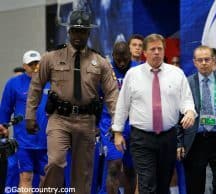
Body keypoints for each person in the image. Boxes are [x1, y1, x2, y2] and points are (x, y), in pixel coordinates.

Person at [25, 10, 119, 194]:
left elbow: (112, 94)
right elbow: (36, 86)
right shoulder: (51, 58)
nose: (78, 35)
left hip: (86, 122)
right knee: (56, 162)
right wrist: (30, 115)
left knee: (82, 174)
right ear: (68, 32)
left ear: (88, 33)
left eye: (82, 31)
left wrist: (117, 123)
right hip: (59, 119)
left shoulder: (99, 61)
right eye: (75, 30)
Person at [112, 33, 196, 194]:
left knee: (163, 185)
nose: (157, 52)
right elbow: (122, 104)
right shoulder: (133, 74)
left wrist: (190, 112)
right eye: (153, 49)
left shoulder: (176, 74)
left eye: (160, 49)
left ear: (164, 51)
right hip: (142, 138)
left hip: (168, 137)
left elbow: (186, 100)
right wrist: (117, 132)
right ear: (145, 52)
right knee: (146, 183)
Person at [179, 45, 216, 194]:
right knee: (195, 186)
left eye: (207, 59)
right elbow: (178, 114)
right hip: (196, 139)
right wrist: (179, 142)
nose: (203, 63)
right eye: (200, 60)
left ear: (213, 60)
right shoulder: (187, 83)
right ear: (194, 62)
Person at [0, 50, 48, 193]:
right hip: (24, 142)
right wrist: (3, 127)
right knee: (25, 178)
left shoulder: (51, 82)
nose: (34, 67)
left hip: (47, 140)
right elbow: (5, 109)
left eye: (37, 63)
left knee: (46, 180)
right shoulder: (13, 84)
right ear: (24, 66)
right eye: (30, 64)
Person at [99, 41, 138, 194]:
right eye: (118, 59)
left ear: (130, 54)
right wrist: (96, 125)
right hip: (110, 123)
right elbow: (97, 98)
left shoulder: (138, 70)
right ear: (113, 55)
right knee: (114, 165)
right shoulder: (106, 71)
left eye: (125, 58)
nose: (121, 63)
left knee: (131, 169)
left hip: (134, 123)